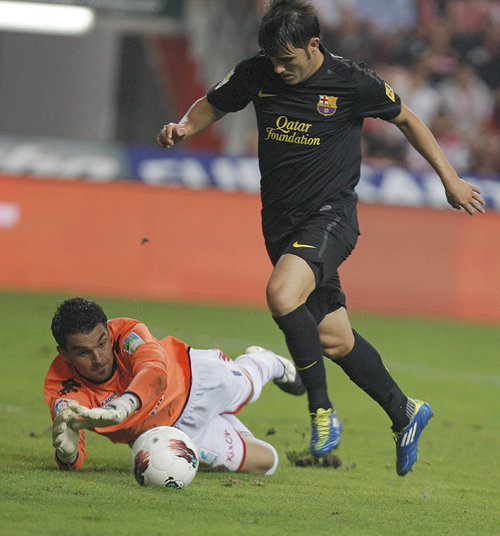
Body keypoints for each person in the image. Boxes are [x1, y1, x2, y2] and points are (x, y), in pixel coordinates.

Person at [157, 0, 485, 475]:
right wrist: (185, 126)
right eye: (272, 59)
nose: (278, 68)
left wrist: (449, 179)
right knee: (334, 338)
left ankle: (322, 412)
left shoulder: (351, 81)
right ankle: (405, 411)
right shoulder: (257, 71)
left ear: (313, 44)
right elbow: (214, 103)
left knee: (281, 294)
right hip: (280, 225)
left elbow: (408, 119)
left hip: (331, 217)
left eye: (286, 59)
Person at [45, 297, 305, 474]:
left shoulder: (127, 333)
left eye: (102, 343)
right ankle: (229, 429)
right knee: (268, 462)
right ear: (64, 354)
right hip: (167, 434)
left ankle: (266, 361)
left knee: (249, 386)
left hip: (196, 379)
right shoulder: (63, 391)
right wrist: (68, 454)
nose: (98, 358)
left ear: (108, 332)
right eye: (83, 352)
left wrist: (124, 405)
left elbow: (154, 373)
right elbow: (73, 463)